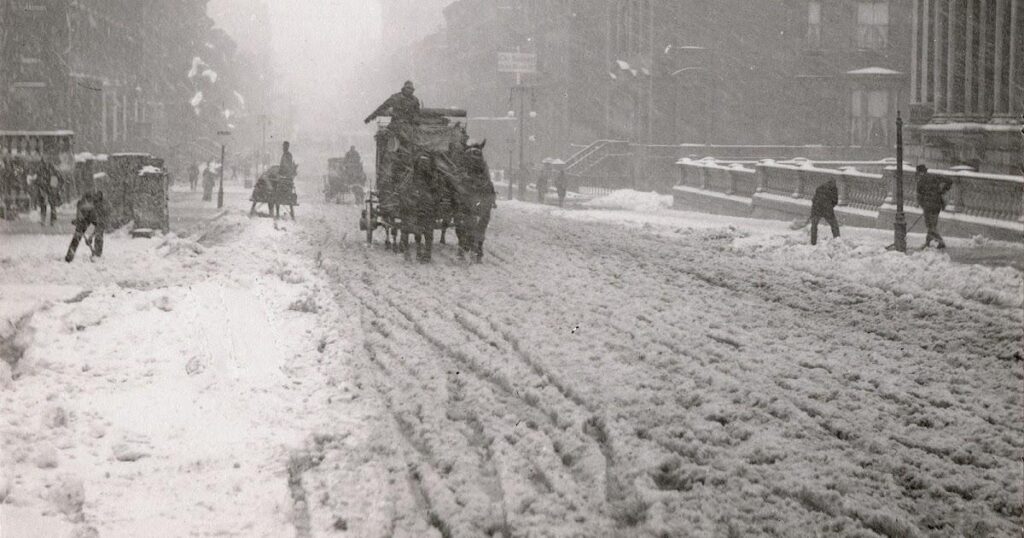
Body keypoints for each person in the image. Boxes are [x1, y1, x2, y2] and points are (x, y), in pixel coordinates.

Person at [65, 190, 109, 262]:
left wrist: (91, 236)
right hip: (87, 217)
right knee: (78, 234)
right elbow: (79, 213)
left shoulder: (102, 207)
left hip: (97, 218)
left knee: (99, 235)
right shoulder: (82, 203)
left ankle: (97, 254)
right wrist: (78, 219)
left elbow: (100, 225)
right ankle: (70, 254)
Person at [915, 164, 953, 249]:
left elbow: (919, 196)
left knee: (930, 225)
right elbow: (949, 181)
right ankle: (928, 242)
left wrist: (922, 205)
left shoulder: (920, 181)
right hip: (937, 204)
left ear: (919, 172)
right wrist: (942, 191)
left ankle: (940, 241)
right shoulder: (934, 177)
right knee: (933, 225)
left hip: (928, 206)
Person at [809, 179, 840, 246]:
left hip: (816, 208)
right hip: (827, 209)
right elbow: (835, 201)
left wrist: (813, 211)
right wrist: (830, 206)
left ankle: (813, 242)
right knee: (834, 225)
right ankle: (837, 240)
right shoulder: (834, 190)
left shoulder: (819, 188)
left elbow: (814, 199)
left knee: (814, 225)